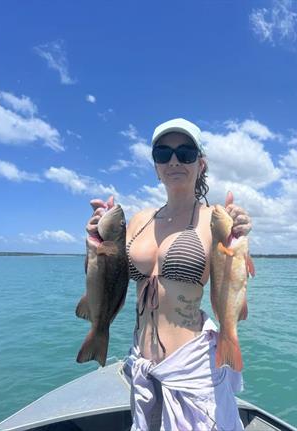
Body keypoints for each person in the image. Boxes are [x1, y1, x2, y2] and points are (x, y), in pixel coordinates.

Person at [85, 118, 252, 430]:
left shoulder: (214, 220)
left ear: (201, 164)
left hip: (192, 364)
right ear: (155, 166)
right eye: (163, 153)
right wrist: (98, 240)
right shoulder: (137, 221)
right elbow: (111, 287)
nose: (174, 160)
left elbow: (234, 280)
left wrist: (240, 232)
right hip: (143, 364)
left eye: (185, 153)